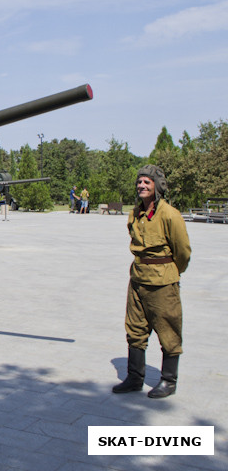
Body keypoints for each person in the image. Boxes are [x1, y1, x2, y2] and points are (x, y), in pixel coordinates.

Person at [112, 165, 191, 399]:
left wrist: (171, 272)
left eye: (147, 182)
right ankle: (135, 378)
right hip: (138, 277)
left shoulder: (170, 214)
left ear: (157, 186)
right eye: (139, 182)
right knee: (135, 328)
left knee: (168, 328)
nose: (141, 186)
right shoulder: (134, 213)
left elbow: (183, 251)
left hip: (162, 281)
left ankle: (168, 380)